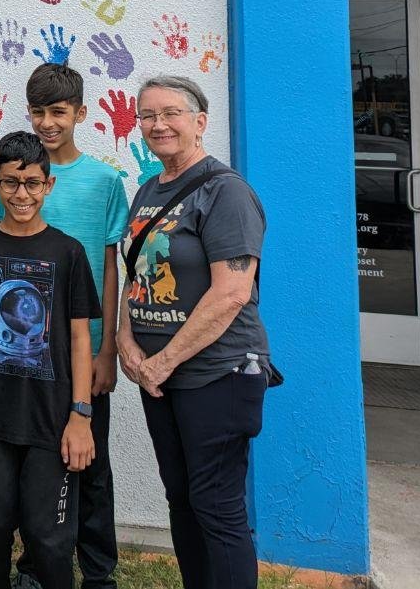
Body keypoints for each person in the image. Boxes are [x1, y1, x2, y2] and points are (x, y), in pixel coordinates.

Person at [118, 75, 273, 589]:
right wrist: (126, 339)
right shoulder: (148, 189)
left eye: (171, 113)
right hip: (159, 377)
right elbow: (135, 273)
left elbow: (231, 293)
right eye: (147, 115)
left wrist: (163, 360)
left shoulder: (226, 192)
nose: (157, 124)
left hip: (216, 373)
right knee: (181, 498)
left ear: (200, 122)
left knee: (216, 505)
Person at [0, 63, 128, 589]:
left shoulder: (104, 181)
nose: (47, 122)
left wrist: (107, 345)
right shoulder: (17, 173)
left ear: (80, 114)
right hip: (23, 355)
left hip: (81, 352)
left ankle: (98, 572)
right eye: (38, 112)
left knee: (89, 464)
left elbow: (110, 267)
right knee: (29, 467)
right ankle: (34, 568)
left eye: (58, 112)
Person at [0, 130, 97, 589]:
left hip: (51, 420)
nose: (22, 194)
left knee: (49, 537)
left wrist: (81, 415)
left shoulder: (68, 253)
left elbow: (79, 338)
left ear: (48, 186)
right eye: (11, 183)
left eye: (33, 183)